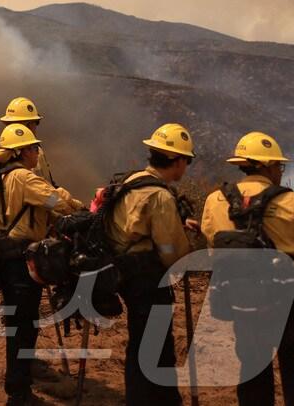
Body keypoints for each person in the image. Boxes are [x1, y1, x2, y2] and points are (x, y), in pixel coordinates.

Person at [200, 131, 294, 406]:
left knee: (252, 368)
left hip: (243, 297)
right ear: (265, 166)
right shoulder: (293, 202)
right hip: (291, 297)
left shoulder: (215, 201)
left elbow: (213, 247)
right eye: (278, 165)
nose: (279, 171)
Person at [0, 124, 82, 406]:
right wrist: (78, 204)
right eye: (33, 148)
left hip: (8, 258)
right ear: (21, 151)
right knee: (23, 326)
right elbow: (57, 202)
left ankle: (19, 386)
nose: (37, 152)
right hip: (21, 262)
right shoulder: (25, 178)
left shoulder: (2, 176)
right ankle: (18, 393)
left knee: (18, 325)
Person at [107, 123, 197, 406]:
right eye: (187, 160)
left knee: (143, 344)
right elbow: (170, 249)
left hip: (125, 275)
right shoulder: (160, 195)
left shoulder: (132, 181)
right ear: (178, 160)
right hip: (148, 279)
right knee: (155, 347)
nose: (186, 167)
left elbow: (135, 225)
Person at [0, 97, 55, 186]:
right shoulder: (33, 152)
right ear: (29, 125)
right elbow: (44, 188)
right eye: (36, 122)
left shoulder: (0, 155)